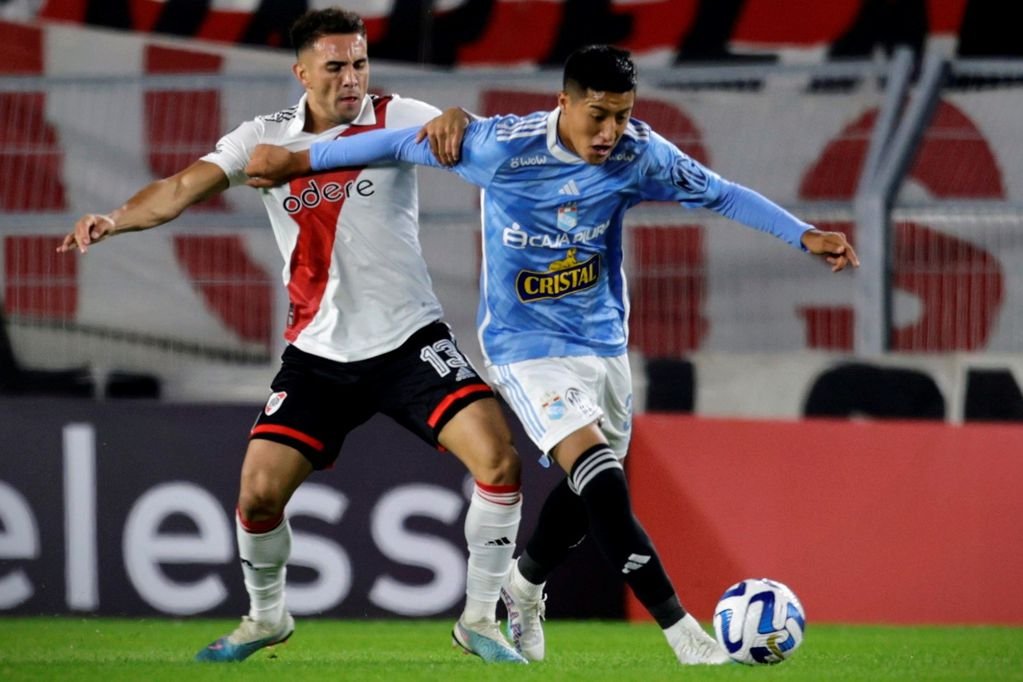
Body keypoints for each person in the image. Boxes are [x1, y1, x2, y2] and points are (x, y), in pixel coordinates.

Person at [244, 44, 859, 665]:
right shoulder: (502, 149)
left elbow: (721, 194)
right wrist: (299, 160)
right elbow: (394, 145)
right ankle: (681, 631)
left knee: (590, 484)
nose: (610, 131)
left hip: (601, 342)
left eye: (622, 114)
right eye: (598, 115)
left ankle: (526, 583)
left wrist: (803, 233)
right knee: (601, 478)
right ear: (563, 103)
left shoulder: (639, 154)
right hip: (523, 348)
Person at [57, 7, 530, 665]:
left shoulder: (394, 116)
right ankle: (265, 617)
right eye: (335, 66)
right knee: (256, 495)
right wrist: (115, 217)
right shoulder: (263, 138)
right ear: (301, 71)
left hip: (409, 341)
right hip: (319, 355)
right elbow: (180, 188)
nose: (350, 78)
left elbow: (471, 138)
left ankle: (479, 618)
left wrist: (457, 118)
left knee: (500, 461)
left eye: (359, 63)